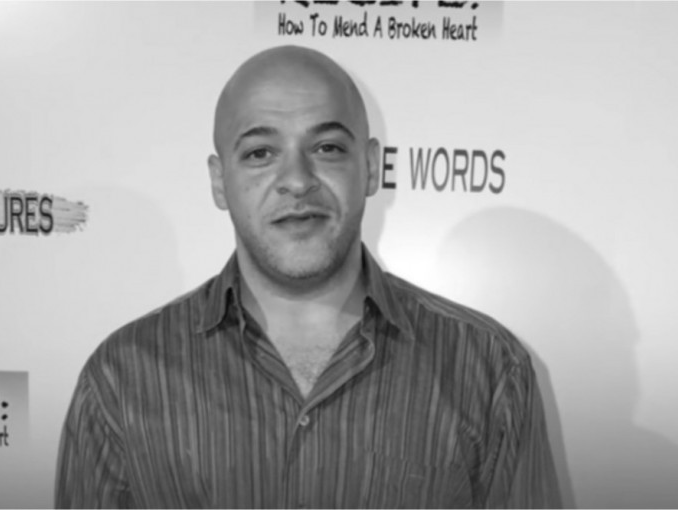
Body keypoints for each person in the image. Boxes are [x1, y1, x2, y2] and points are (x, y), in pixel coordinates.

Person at [55, 45, 562, 508]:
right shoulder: (121, 379)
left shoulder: (490, 370)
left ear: (370, 167)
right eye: (260, 153)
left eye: (327, 148)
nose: (297, 180)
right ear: (219, 181)